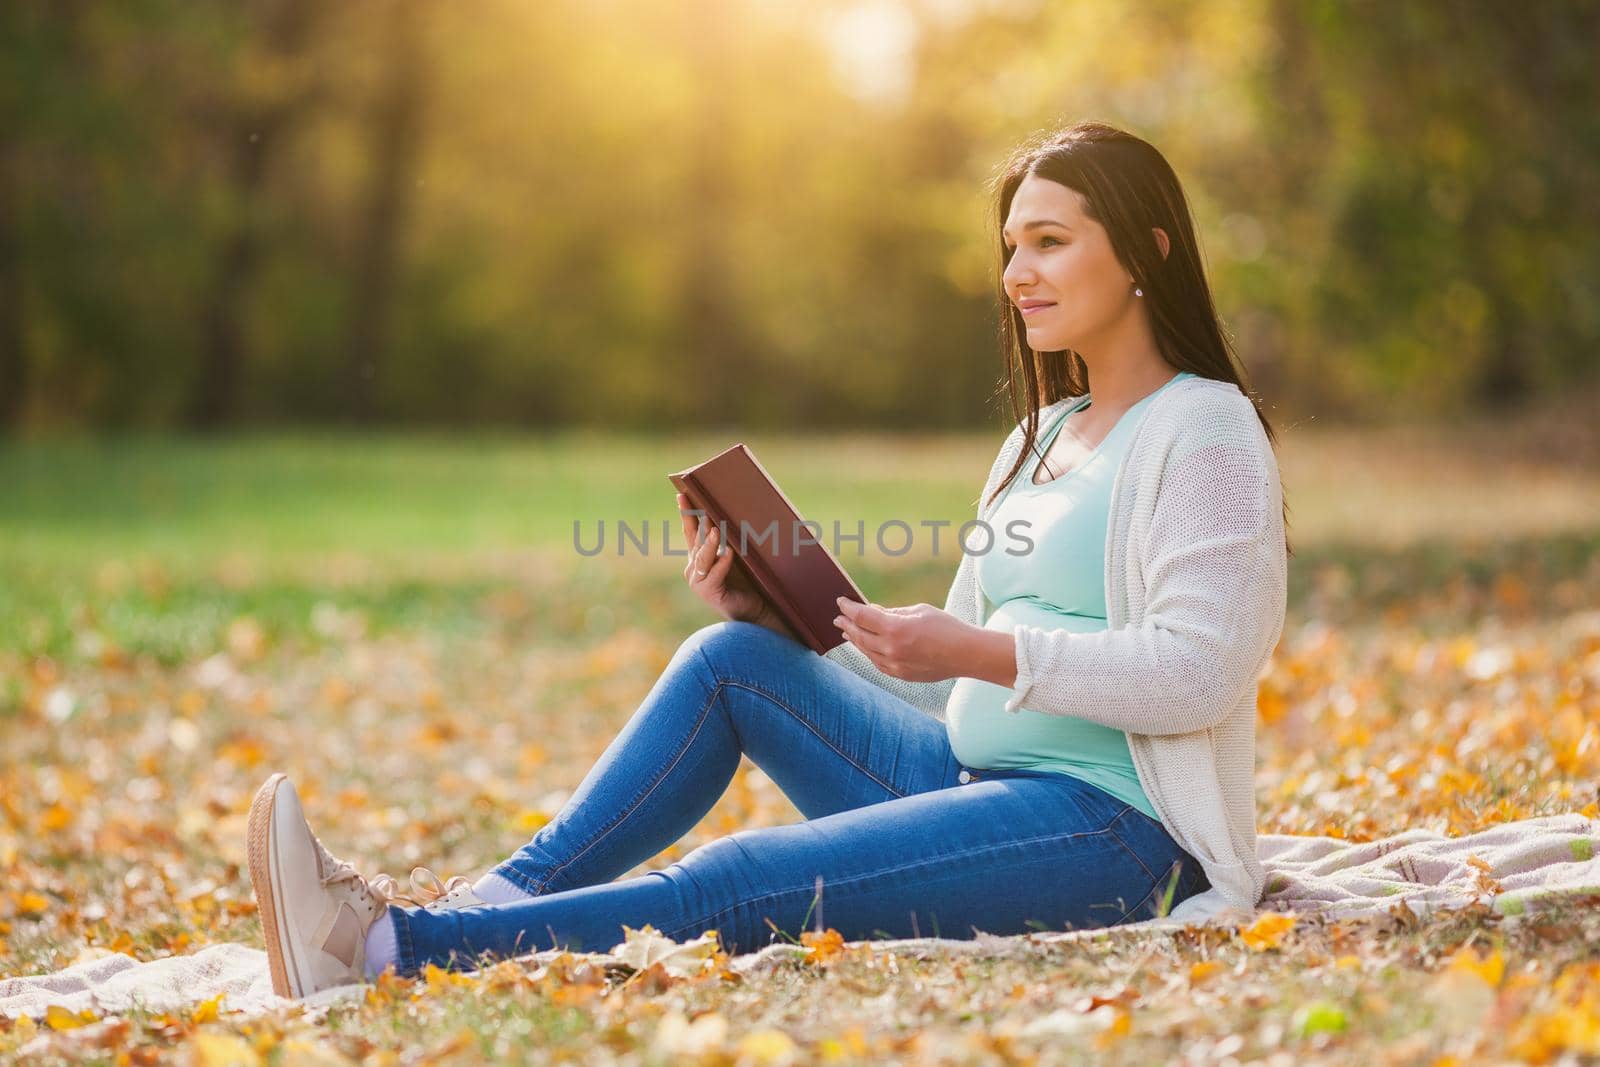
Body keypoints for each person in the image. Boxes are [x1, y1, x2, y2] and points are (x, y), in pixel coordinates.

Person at [245, 121, 1289, 999]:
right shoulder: (1040, 435)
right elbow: (947, 661)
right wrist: (782, 610)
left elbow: (1200, 667)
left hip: (1111, 830)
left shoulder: (1203, 429)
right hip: (961, 775)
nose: (1018, 272)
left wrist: (980, 649)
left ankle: (388, 951)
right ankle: (490, 903)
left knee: (739, 876)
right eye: (1011, 245)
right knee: (725, 660)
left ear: (1146, 251)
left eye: (1051, 241)